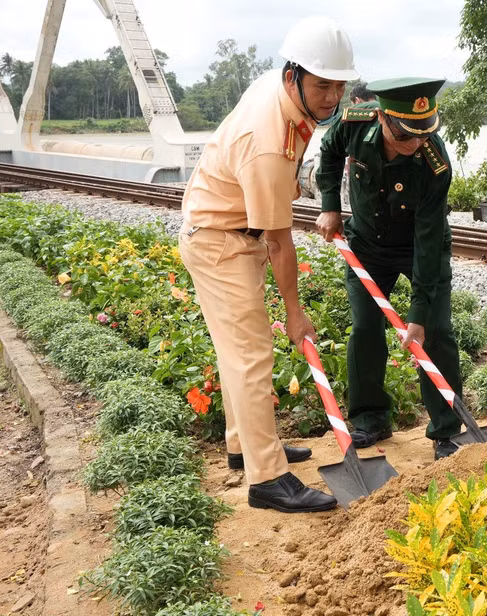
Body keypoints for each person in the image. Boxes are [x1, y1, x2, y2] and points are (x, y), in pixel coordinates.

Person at [178, 16, 358, 514]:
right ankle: (268, 478)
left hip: (225, 227)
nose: (331, 97)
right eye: (322, 85)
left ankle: (245, 446)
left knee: (234, 353)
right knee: (252, 356)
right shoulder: (267, 142)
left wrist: (283, 186)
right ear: (292, 75)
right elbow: (281, 243)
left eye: (338, 85)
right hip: (222, 242)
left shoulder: (282, 94)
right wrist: (296, 314)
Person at [315, 77, 463, 460]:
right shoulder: (352, 123)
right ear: (381, 118)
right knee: (365, 328)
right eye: (406, 137)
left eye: (423, 135)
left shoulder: (435, 162)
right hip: (367, 244)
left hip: (418, 245)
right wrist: (330, 204)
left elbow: (429, 243)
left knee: (436, 333)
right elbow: (328, 154)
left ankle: (446, 431)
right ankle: (370, 418)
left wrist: (418, 314)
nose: (416, 144)